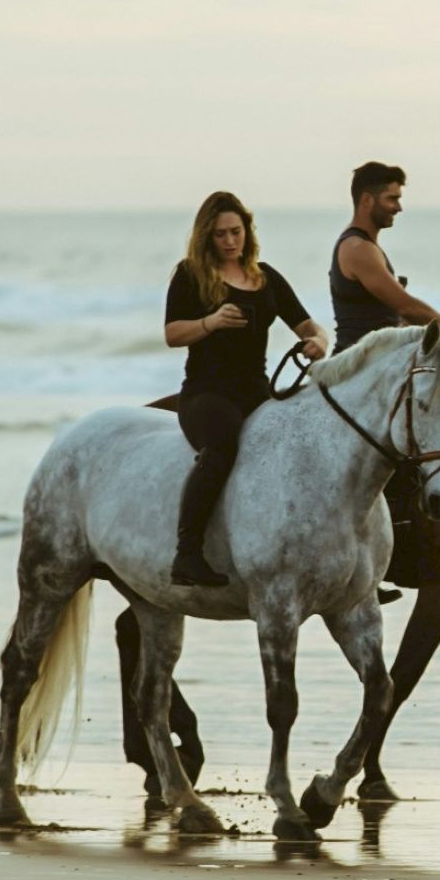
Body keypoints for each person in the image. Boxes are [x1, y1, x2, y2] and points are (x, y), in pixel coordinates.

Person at [165, 191, 327, 589]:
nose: (229, 241)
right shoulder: (190, 274)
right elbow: (171, 334)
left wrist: (319, 341)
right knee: (223, 442)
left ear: (247, 232)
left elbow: (309, 326)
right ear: (207, 237)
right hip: (206, 393)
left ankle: (328, 551)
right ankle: (187, 554)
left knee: (312, 441)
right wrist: (211, 322)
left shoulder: (266, 276)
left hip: (257, 391)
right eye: (220, 234)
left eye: (235, 231)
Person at [329, 161, 440, 353]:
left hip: (379, 359)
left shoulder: (366, 246)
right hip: (360, 364)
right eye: (391, 199)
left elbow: (393, 317)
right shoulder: (357, 247)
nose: (398, 207)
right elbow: (407, 307)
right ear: (367, 200)